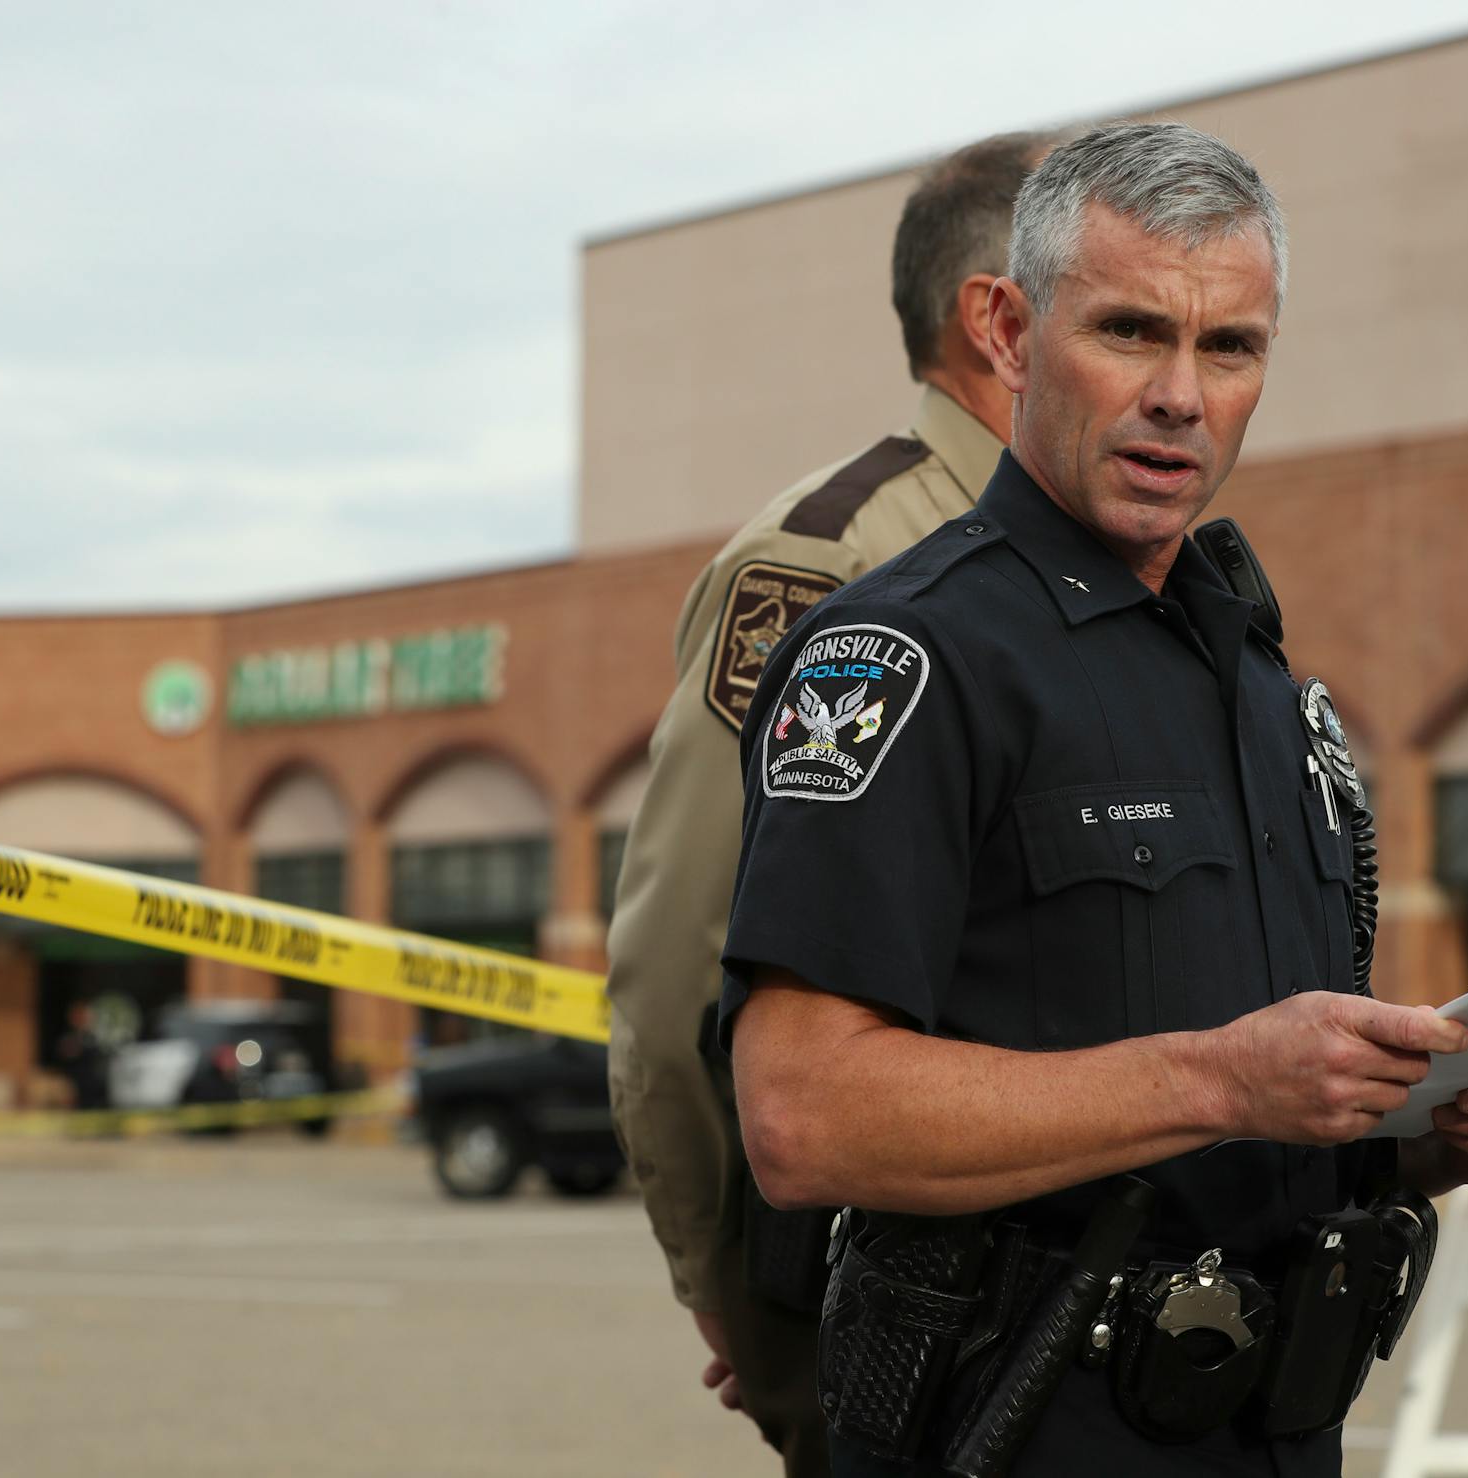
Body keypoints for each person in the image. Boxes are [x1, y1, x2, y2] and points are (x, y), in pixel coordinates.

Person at [717, 122, 1468, 1477]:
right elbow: (802, 1114)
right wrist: (1219, 1077)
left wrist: (1433, 1129)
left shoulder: (1256, 680)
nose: (1182, 396)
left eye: (1230, 346)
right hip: (1017, 1436)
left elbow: (1262, 1120)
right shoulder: (906, 658)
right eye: (1130, 331)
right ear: (1011, 335)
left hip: (1276, 1428)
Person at [606, 132, 1052, 1475]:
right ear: (999, 321)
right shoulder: (837, 563)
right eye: (1117, 304)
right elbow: (680, 959)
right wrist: (741, 1296)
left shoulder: (1113, 570)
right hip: (904, 1327)